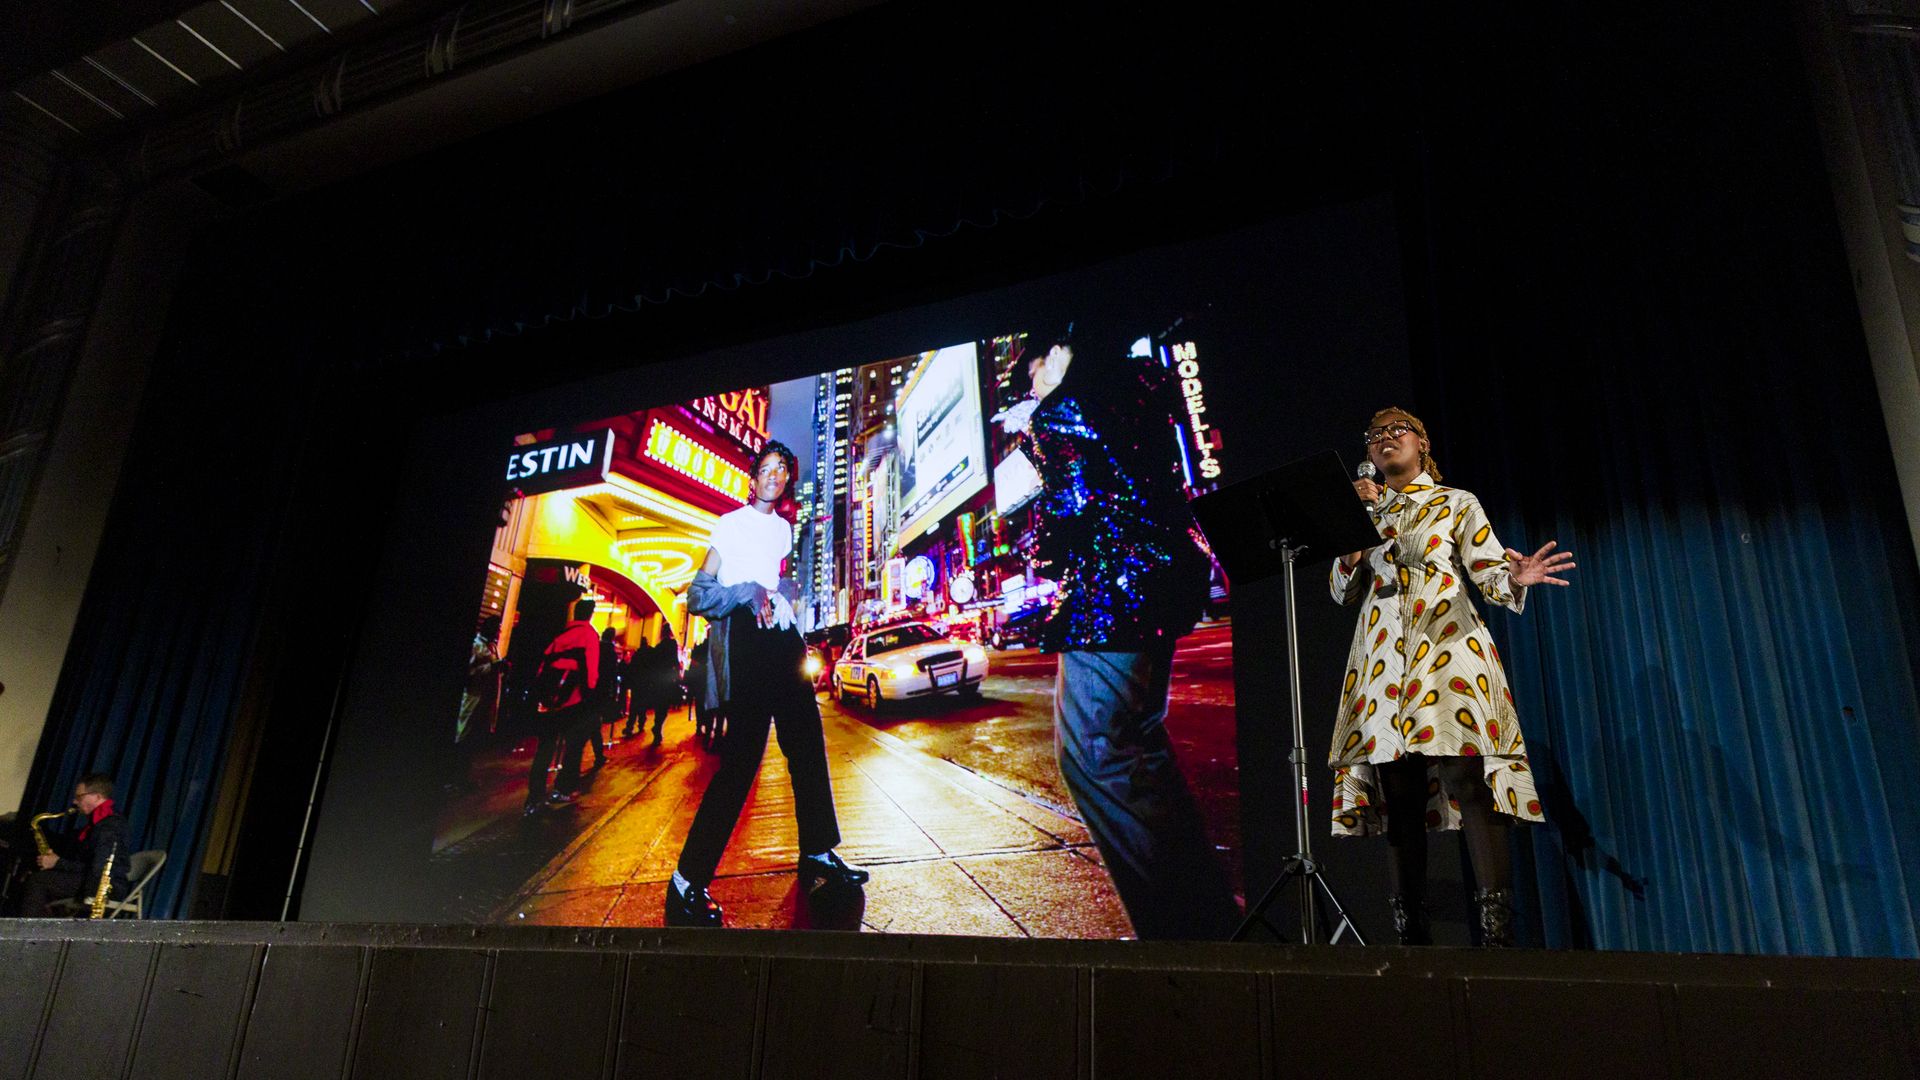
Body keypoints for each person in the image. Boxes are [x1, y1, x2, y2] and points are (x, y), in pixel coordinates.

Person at [1003, 329, 1241, 941]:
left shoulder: (1065, 410)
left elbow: (1070, 513)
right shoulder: (1138, 388)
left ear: (1056, 355)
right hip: (1162, 581)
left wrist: (1037, 429)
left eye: (1030, 374)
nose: (1031, 387)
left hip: (1113, 593)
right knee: (1135, 745)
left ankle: (1183, 930)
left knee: (1095, 754)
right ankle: (1205, 915)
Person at [1329, 407, 1575, 946]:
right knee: (1400, 794)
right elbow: (1341, 589)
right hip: (1383, 662)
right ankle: (1411, 938)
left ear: (1422, 444)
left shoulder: (1456, 502)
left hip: (1449, 650)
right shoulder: (1356, 512)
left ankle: (1496, 937)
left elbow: (1488, 571)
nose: (1385, 441)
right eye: (1374, 437)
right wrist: (1351, 523)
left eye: (1398, 432)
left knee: (1468, 782)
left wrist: (1516, 575)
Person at [665, 441, 867, 927]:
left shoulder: (783, 530)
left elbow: (772, 582)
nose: (775, 475)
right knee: (740, 764)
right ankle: (686, 883)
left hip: (784, 644)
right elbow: (698, 593)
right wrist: (747, 592)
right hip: (748, 648)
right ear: (752, 480)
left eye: (783, 469)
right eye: (767, 468)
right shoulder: (729, 524)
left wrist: (782, 603)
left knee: (807, 747)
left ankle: (818, 854)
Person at [524, 596, 601, 815]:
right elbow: (591, 671)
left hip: (551, 702)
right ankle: (563, 789)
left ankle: (534, 798)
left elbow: (543, 666)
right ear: (590, 614)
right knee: (573, 746)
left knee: (545, 748)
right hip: (574, 701)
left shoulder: (560, 635)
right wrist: (589, 694)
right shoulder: (588, 635)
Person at [19, 773, 131, 917]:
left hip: (106, 886)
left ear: (97, 797)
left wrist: (58, 863)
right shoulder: (97, 825)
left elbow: (99, 869)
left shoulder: (109, 827)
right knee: (39, 877)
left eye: (79, 797)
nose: (75, 801)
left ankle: (29, 934)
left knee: (39, 881)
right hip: (94, 879)